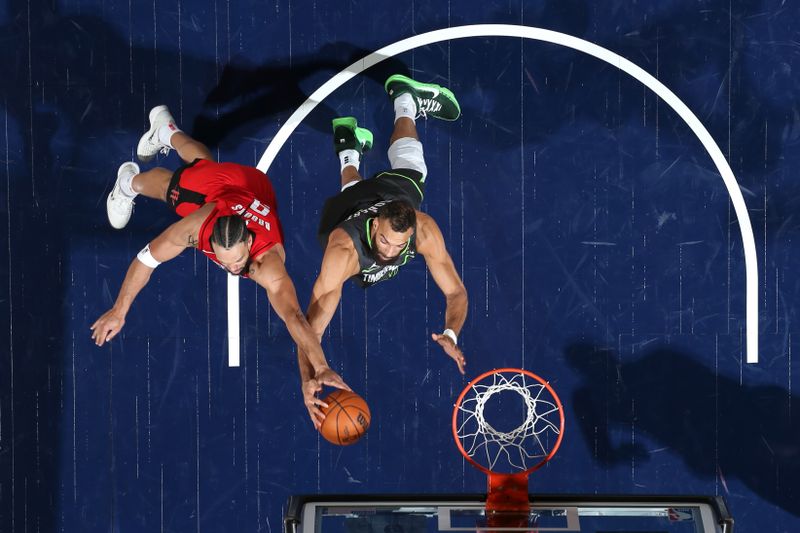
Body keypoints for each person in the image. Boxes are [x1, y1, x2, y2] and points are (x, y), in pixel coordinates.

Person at [91, 105, 349, 411]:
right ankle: (129, 178)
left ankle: (167, 131)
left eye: (237, 261)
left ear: (249, 242)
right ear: (210, 238)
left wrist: (320, 367)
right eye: (225, 261)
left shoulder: (269, 266)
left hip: (253, 187)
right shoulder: (194, 227)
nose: (231, 267)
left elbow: (295, 317)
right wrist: (119, 310)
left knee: (202, 167)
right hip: (220, 191)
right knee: (172, 188)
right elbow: (146, 260)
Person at [300, 74, 469, 425]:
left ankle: (354, 143)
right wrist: (311, 376)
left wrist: (451, 334)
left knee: (404, 177)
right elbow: (309, 329)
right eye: (385, 241)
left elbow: (456, 292)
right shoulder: (343, 255)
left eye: (399, 244)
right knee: (392, 176)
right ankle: (403, 99)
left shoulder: (421, 230)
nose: (391, 250)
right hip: (344, 215)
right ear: (375, 225)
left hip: (387, 195)